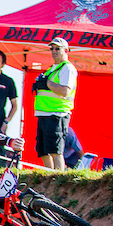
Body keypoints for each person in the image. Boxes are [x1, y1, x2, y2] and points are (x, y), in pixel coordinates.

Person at [31, 37, 77, 170]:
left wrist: (47, 83)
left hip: (57, 114)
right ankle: (49, 176)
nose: (54, 51)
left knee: (56, 151)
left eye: (58, 48)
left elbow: (65, 91)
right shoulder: (53, 68)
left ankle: (57, 178)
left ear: (66, 50)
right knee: (43, 150)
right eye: (52, 48)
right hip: (44, 113)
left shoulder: (67, 68)